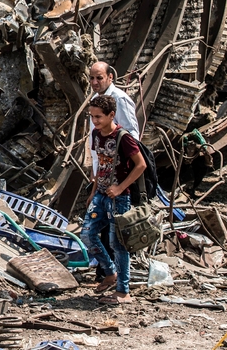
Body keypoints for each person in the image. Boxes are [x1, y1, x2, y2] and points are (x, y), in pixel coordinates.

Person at [82, 95, 146, 304]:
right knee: (88, 234)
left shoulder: (123, 137)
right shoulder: (96, 134)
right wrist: (93, 191)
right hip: (100, 195)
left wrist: (120, 187)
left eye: (99, 117)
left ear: (111, 115)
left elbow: (141, 165)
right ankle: (110, 272)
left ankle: (123, 291)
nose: (95, 121)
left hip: (119, 199)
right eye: (92, 116)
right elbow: (100, 165)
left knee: (118, 244)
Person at [88, 61, 139, 282]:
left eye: (99, 77)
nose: (94, 82)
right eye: (91, 78)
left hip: (116, 181)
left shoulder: (119, 100)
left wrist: (120, 181)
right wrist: (96, 172)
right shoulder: (95, 103)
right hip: (102, 177)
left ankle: (117, 281)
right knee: (96, 231)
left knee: (114, 235)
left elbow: (133, 137)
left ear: (110, 77)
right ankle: (106, 274)